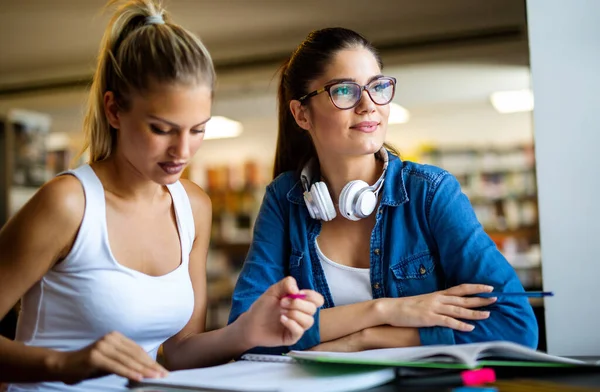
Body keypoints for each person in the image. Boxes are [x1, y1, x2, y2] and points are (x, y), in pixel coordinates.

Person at [0, 1, 323, 390]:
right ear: (114, 110)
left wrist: (249, 330)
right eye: (162, 129)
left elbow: (181, 352)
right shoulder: (67, 203)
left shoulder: (194, 207)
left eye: (197, 130)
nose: (182, 152)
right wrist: (65, 363)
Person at [228, 27, 538, 354]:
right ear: (301, 113)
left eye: (377, 87)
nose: (368, 105)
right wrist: (381, 311)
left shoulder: (429, 193)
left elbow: (515, 325)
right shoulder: (284, 200)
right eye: (345, 90)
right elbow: (248, 331)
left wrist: (366, 339)